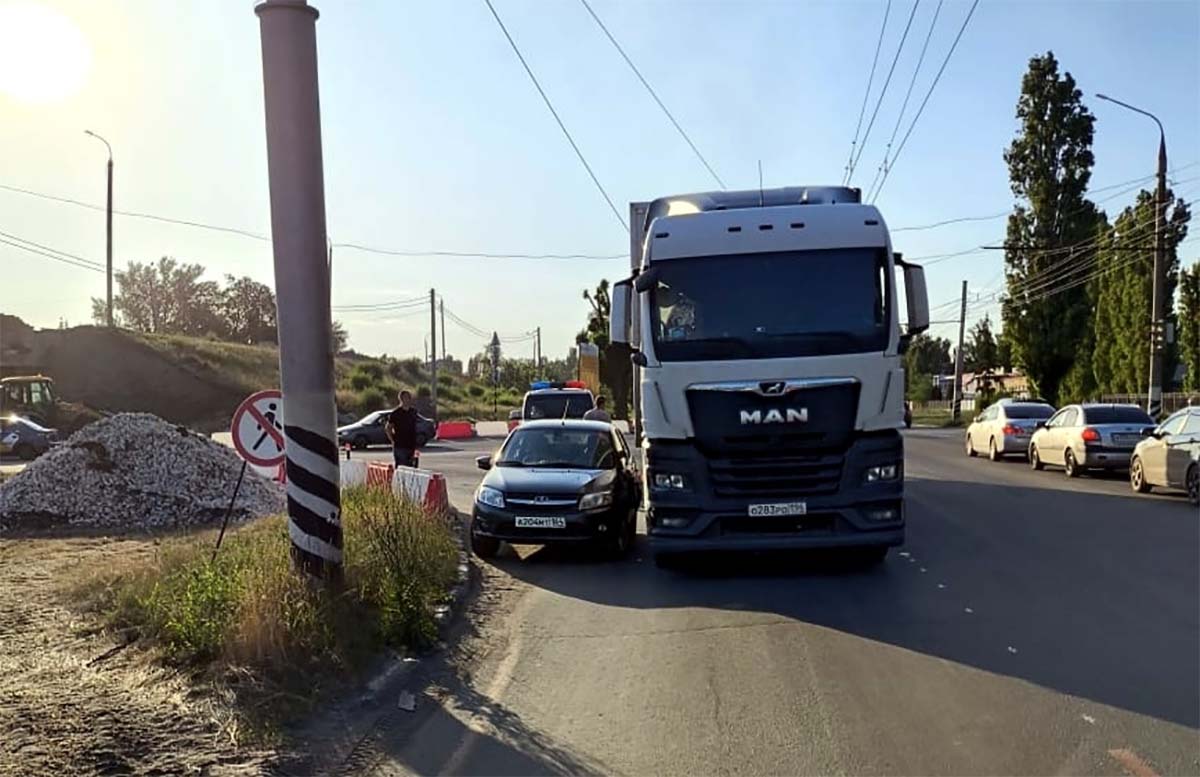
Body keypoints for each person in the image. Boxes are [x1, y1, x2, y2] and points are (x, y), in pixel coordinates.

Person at [386, 390, 419, 467]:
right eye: (406, 397)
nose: (408, 399)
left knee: (411, 468)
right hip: (400, 446)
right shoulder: (395, 413)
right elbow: (388, 428)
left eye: (409, 397)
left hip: (411, 445)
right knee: (401, 467)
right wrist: (392, 440)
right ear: (401, 399)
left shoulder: (413, 412)